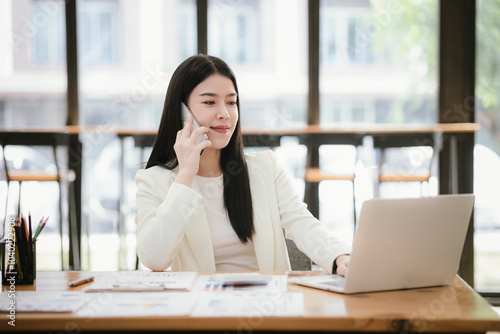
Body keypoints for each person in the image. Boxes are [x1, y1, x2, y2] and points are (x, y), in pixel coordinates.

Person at [135, 54, 351, 275]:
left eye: (231, 102)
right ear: (182, 113)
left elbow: (301, 222)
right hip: (201, 306)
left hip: (266, 303)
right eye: (210, 102)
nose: (225, 114)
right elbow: (154, 259)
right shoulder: (154, 181)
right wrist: (186, 176)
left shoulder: (265, 168)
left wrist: (339, 257)